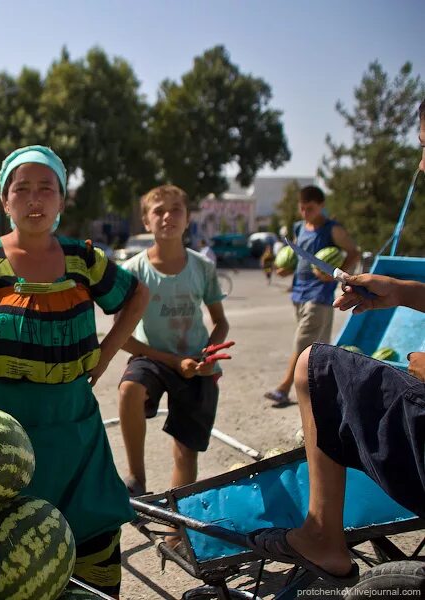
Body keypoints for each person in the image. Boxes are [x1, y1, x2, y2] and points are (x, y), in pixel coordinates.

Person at [0, 145, 150, 598]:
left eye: (46, 189)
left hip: (75, 429)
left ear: (62, 200)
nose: (34, 199)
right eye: (21, 189)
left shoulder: (83, 258)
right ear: (5, 201)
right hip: (0, 435)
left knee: (94, 536)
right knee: (11, 554)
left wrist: (106, 356)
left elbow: (136, 295)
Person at [247, 98, 425, 587]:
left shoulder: (332, 228)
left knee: (317, 365)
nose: (423, 165)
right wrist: (402, 292)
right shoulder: (302, 232)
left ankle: (324, 534)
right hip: (306, 292)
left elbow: (345, 249)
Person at [117, 185, 230, 502]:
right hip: (151, 357)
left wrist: (208, 355)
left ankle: (176, 523)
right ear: (145, 221)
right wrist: (170, 361)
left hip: (196, 361)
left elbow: (221, 322)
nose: (167, 216)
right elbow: (123, 337)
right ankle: (137, 479)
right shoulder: (133, 272)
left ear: (188, 218)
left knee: (186, 451)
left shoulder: (202, 268)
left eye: (176, 209)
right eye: (158, 210)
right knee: (129, 389)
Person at [264, 186, 360, 404]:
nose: (306, 213)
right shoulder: (299, 227)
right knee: (318, 349)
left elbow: (354, 253)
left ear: (322, 206)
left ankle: (283, 388)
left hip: (319, 295)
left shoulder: (332, 229)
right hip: (299, 293)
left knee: (302, 343)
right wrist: (286, 270)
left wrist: (338, 274)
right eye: (302, 208)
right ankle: (327, 393)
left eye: (311, 208)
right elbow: (300, 257)